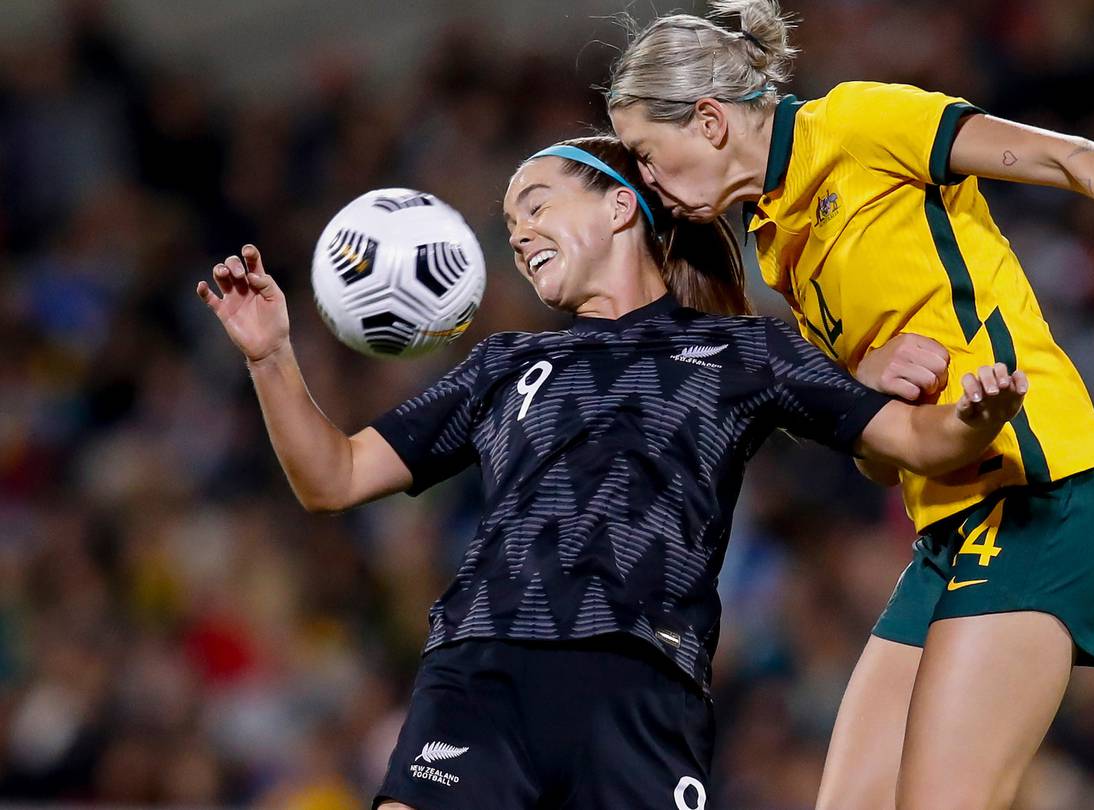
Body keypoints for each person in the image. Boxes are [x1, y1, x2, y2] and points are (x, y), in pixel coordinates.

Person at [195, 135, 1030, 810]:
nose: (516, 233)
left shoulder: (743, 351)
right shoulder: (503, 364)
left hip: (638, 691)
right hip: (483, 671)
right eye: (510, 222)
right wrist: (270, 357)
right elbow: (332, 478)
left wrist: (976, 415)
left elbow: (919, 442)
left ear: (621, 205)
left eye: (535, 202)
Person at [604, 3, 1094, 808]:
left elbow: (1065, 157)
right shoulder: (777, 243)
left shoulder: (856, 121)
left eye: (646, 153)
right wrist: (864, 389)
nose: (647, 181)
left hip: (1041, 493)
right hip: (948, 529)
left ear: (708, 121)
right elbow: (881, 457)